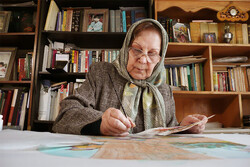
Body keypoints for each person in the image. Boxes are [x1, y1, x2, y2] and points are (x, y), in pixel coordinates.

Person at [52, 19, 208, 136]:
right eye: (137, 50)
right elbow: (67, 114)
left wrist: (184, 128)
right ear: (126, 48)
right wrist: (100, 122)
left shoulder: (164, 90)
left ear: (160, 59)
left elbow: (166, 131)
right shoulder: (102, 73)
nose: (143, 59)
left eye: (152, 53)